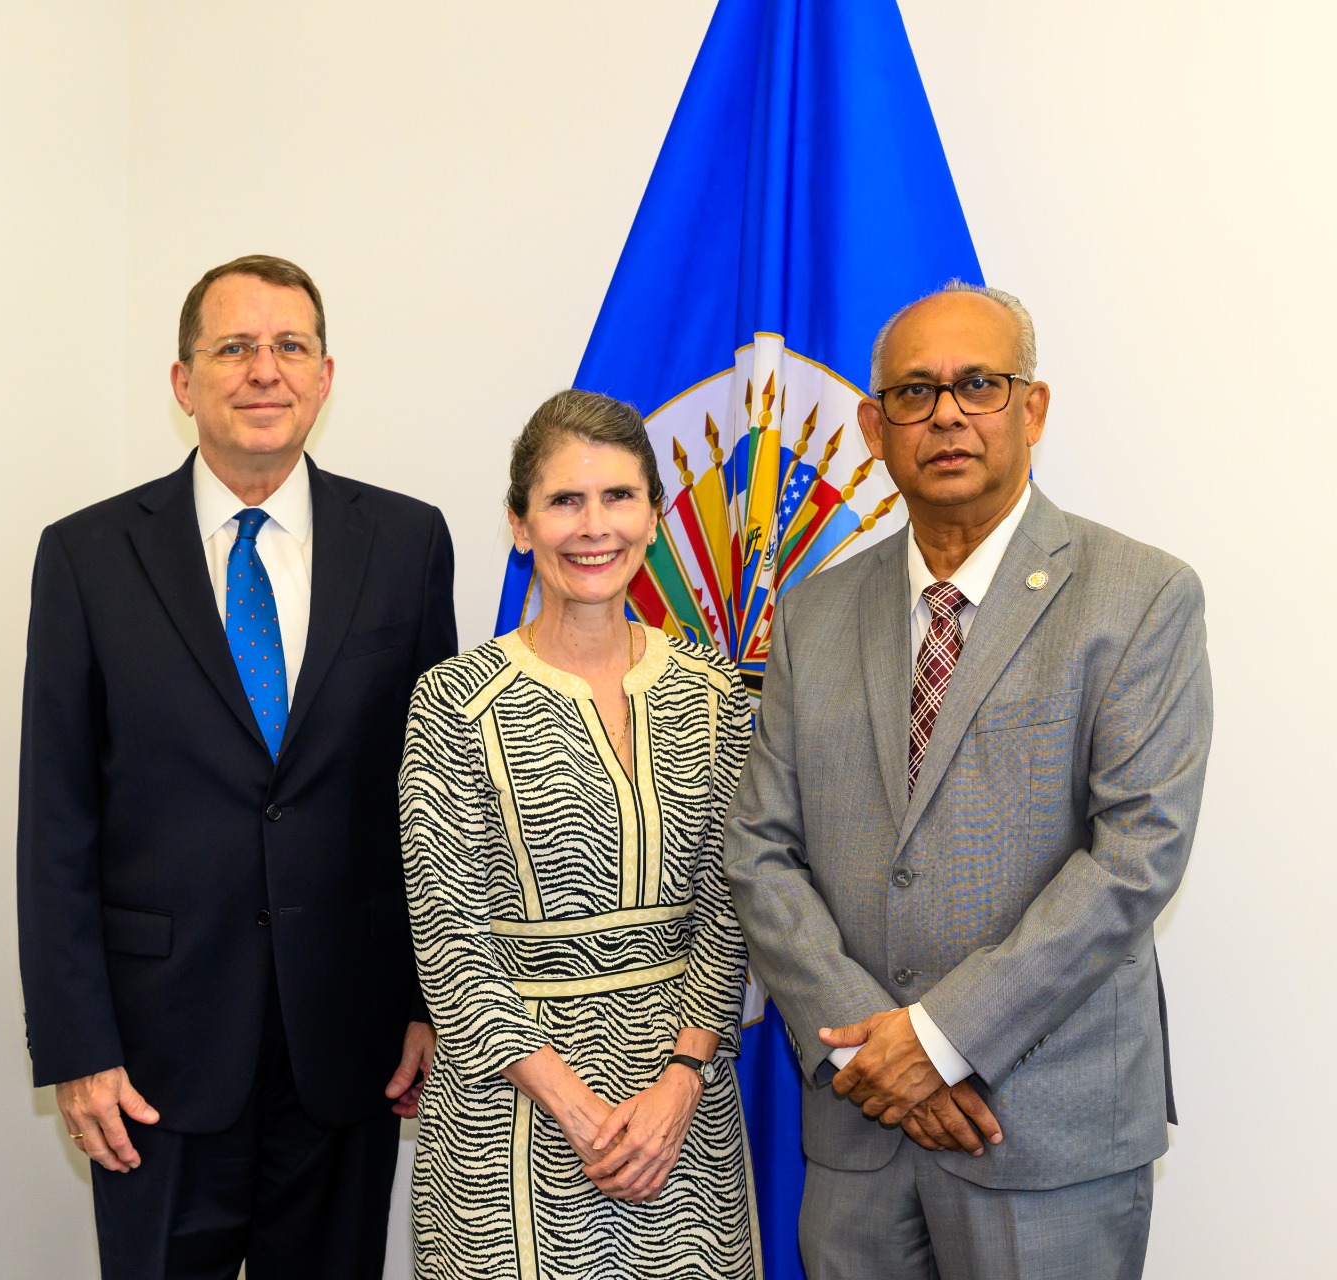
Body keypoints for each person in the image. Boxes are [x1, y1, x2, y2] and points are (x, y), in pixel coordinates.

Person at [724, 283, 1212, 1280]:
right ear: (872, 425)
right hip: (857, 1133)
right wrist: (876, 1057)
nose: (944, 413)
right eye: (913, 392)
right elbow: (760, 849)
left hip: (1043, 1133)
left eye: (976, 385)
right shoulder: (814, 615)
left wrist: (940, 1040)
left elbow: (1134, 857)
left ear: (1030, 409)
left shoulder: (1140, 596)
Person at [16, 254, 456, 1279]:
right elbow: (56, 819)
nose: (265, 370)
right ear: (183, 382)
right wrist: (76, 1044)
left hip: (346, 1043)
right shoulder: (86, 555)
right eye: (234, 347)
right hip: (155, 1051)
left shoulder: (405, 541)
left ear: (325, 374)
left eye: (288, 346)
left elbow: (431, 802)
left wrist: (425, 1000)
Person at [399, 390, 759, 1279]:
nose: (592, 527)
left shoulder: (716, 694)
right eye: (564, 501)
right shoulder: (453, 701)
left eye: (617, 498)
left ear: (656, 517)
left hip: (682, 1118)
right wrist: (579, 1110)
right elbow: (451, 941)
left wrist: (680, 1084)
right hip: (506, 1125)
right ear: (520, 524)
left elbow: (732, 908)